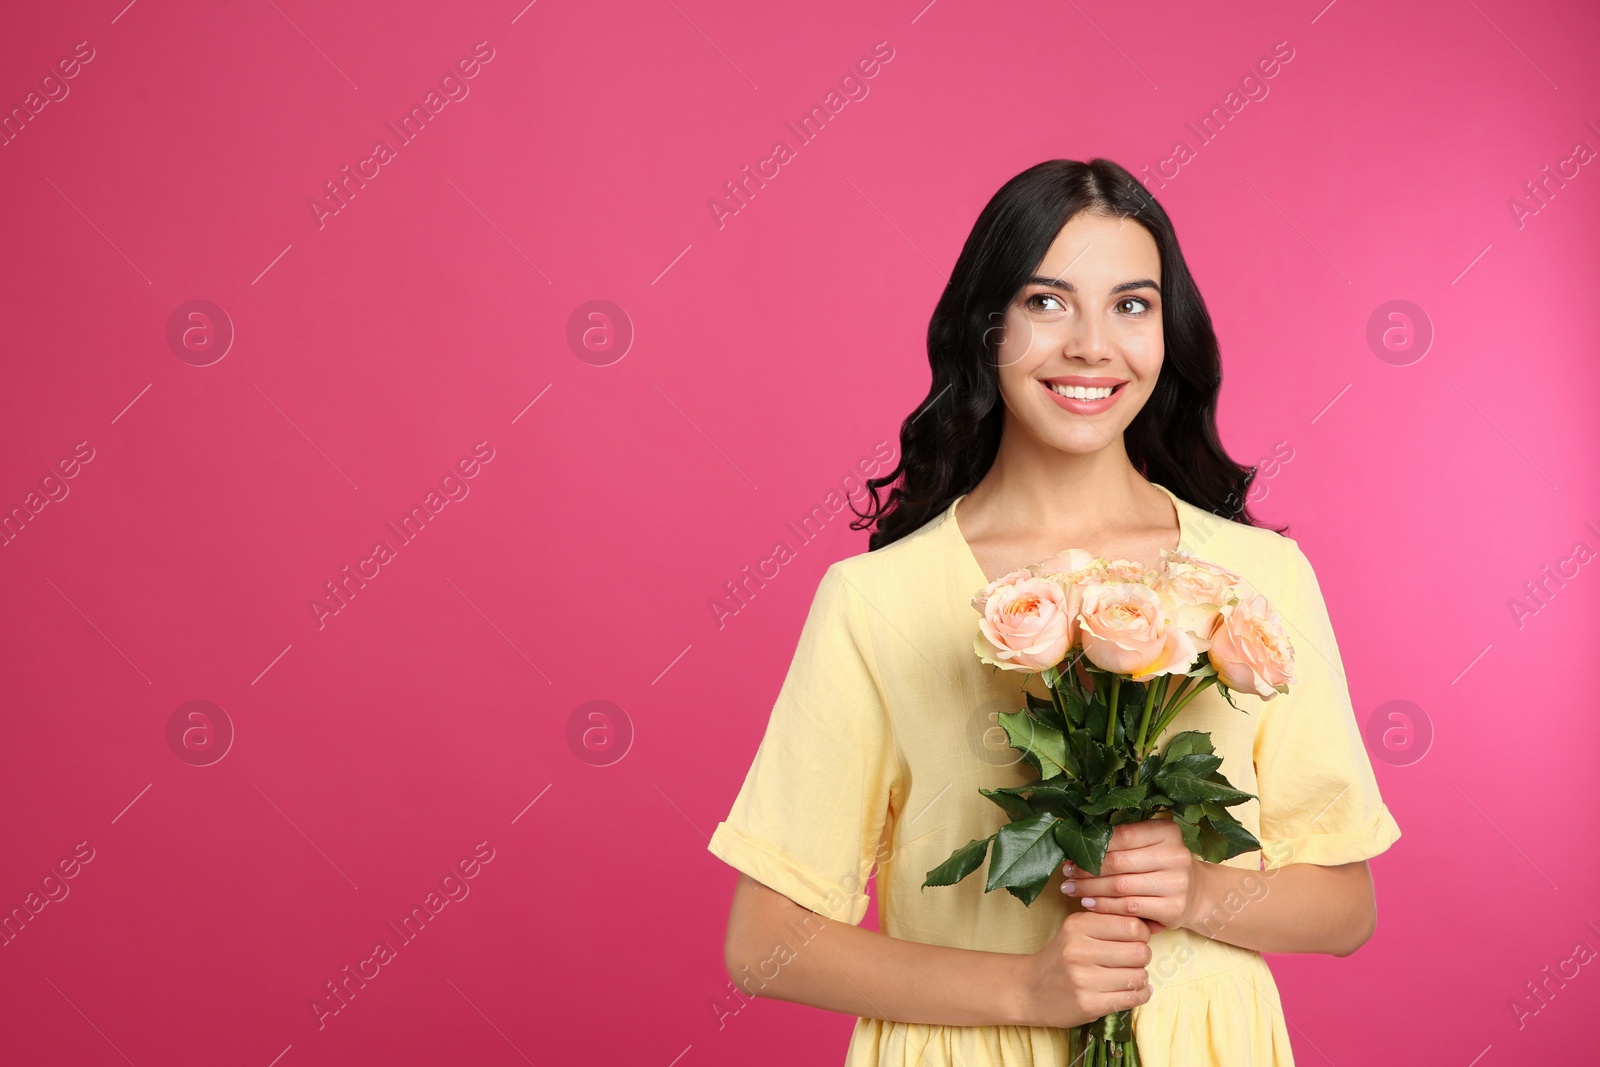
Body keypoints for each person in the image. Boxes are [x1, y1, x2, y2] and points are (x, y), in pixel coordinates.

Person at [706, 157, 1401, 1066]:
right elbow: (763, 943)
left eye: (1131, 304)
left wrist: (1195, 891)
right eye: (1046, 302)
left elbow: (1347, 907)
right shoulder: (877, 600)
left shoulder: (1254, 576)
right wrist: (1025, 991)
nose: (1090, 345)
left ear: (1168, 332)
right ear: (985, 326)